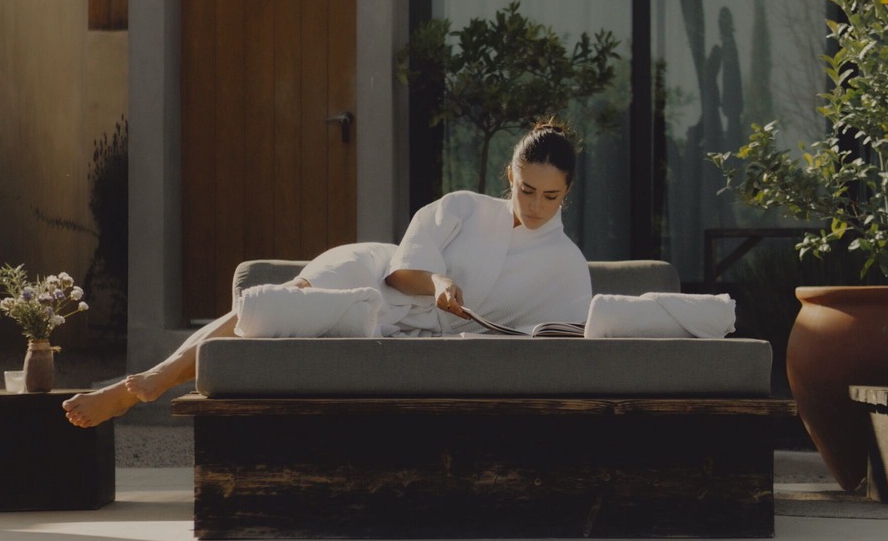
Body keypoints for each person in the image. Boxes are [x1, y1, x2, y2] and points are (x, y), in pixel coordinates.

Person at [63, 118, 592, 427]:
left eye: (550, 195)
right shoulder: (464, 207)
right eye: (525, 189)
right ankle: (149, 382)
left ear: (567, 192)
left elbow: (565, 339)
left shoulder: (565, 266)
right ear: (511, 175)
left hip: (402, 328)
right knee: (277, 304)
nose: (535, 205)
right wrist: (438, 283)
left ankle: (154, 379)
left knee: (281, 317)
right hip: (374, 274)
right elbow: (404, 272)